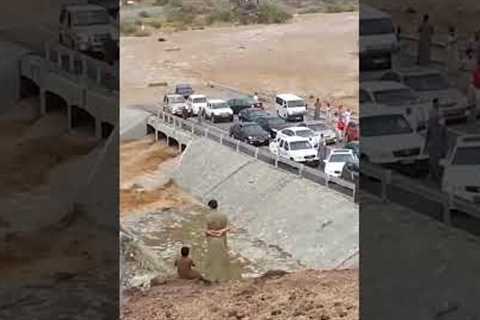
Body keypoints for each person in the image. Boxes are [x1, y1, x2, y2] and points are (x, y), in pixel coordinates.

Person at [204, 200, 241, 283]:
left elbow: (206, 231)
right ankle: (224, 278)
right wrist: (221, 232)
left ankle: (212, 278)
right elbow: (229, 228)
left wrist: (214, 233)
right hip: (222, 239)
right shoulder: (224, 216)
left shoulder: (208, 217)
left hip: (212, 240)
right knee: (223, 259)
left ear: (209, 207)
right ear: (217, 206)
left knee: (212, 260)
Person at [425, 98, 447, 186]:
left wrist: (445, 148)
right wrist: (426, 147)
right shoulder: (431, 113)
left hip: (439, 146)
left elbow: (445, 137)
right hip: (433, 146)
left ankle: (437, 177)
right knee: (433, 162)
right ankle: (435, 177)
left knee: (438, 163)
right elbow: (428, 136)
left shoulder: (442, 127)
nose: (435, 119)